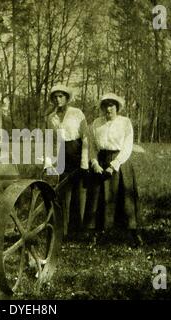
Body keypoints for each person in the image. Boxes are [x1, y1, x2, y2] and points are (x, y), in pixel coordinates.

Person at [84, 93, 142, 246]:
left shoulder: (125, 122)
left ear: (117, 107)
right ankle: (95, 234)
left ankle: (133, 234)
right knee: (97, 198)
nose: (108, 109)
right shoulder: (96, 123)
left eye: (111, 105)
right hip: (101, 162)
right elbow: (92, 147)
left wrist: (114, 165)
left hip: (120, 163)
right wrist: (95, 163)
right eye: (105, 105)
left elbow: (127, 146)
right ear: (102, 108)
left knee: (125, 199)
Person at [46, 84, 89, 240]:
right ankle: (61, 231)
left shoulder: (77, 113)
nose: (58, 99)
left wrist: (84, 162)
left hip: (77, 152)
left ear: (66, 97)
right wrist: (49, 163)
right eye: (55, 97)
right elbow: (51, 141)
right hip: (62, 154)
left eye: (61, 96)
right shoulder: (51, 118)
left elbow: (85, 137)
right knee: (62, 193)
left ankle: (77, 231)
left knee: (79, 193)